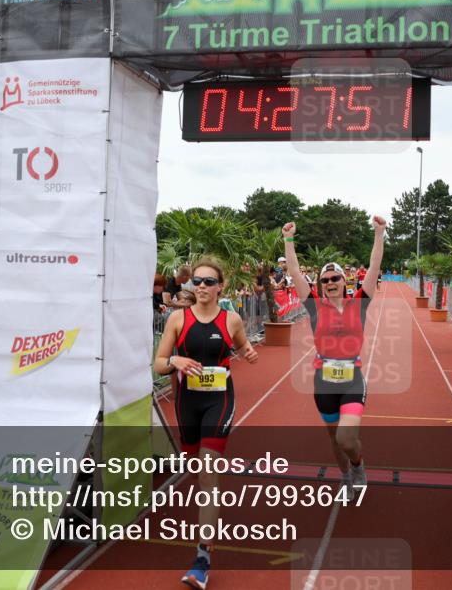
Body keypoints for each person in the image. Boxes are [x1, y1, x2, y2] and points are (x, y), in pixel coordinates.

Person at [153, 257, 258, 590]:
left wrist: (249, 352)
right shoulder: (177, 318)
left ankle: (202, 559)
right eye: (196, 281)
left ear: (220, 287)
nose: (201, 286)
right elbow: (158, 364)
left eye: (208, 282)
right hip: (187, 403)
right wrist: (175, 360)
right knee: (196, 471)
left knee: (208, 473)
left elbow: (243, 345)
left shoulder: (232, 319)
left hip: (219, 401)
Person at [282, 216, 386, 500]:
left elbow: (374, 266)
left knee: (346, 438)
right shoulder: (314, 307)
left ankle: (358, 465)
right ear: (320, 285)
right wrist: (288, 240)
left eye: (335, 278)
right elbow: (294, 271)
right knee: (334, 438)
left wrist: (379, 234)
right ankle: (345, 477)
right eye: (325, 280)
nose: (330, 282)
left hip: (352, 379)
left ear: (344, 280)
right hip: (323, 382)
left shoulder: (359, 303)